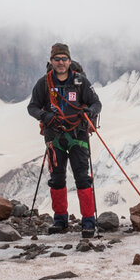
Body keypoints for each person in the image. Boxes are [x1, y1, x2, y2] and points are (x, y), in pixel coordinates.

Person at [27, 42, 103, 238]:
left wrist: (90, 111)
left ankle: (88, 222)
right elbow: (32, 107)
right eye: (57, 59)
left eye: (64, 59)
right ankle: (60, 220)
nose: (61, 62)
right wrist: (44, 117)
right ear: (51, 61)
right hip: (54, 137)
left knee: (82, 177)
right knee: (57, 178)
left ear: (69, 61)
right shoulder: (43, 83)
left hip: (78, 135)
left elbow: (96, 103)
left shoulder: (80, 82)